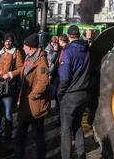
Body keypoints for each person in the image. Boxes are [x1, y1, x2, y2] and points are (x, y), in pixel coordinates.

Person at [13, 33, 50, 159]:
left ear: (30, 47)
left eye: (24, 46)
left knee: (37, 136)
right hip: (26, 105)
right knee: (21, 135)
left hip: (35, 106)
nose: (23, 48)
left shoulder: (40, 61)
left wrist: (31, 96)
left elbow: (43, 82)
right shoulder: (29, 58)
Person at [58, 25, 91, 159]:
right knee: (77, 126)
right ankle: (81, 155)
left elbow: (64, 78)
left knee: (66, 130)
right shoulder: (87, 50)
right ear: (78, 34)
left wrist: (60, 93)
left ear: (69, 35)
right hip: (83, 94)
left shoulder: (68, 51)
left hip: (70, 95)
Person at [0, 33, 23, 142]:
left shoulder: (16, 52)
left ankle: (7, 137)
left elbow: (21, 68)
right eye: (6, 41)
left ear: (12, 42)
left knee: (8, 114)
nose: (7, 43)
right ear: (3, 41)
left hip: (8, 87)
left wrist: (10, 74)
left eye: (9, 41)